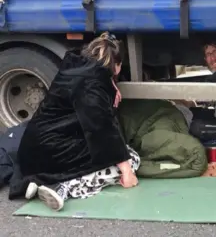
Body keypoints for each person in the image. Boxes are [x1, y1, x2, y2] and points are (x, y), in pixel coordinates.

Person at [8, 32, 140, 211]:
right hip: (53, 152)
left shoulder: (75, 69)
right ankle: (64, 188)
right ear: (116, 66)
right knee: (130, 158)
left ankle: (40, 181)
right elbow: (102, 129)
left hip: (33, 153)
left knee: (115, 153)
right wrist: (127, 170)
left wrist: (110, 86)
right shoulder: (92, 85)